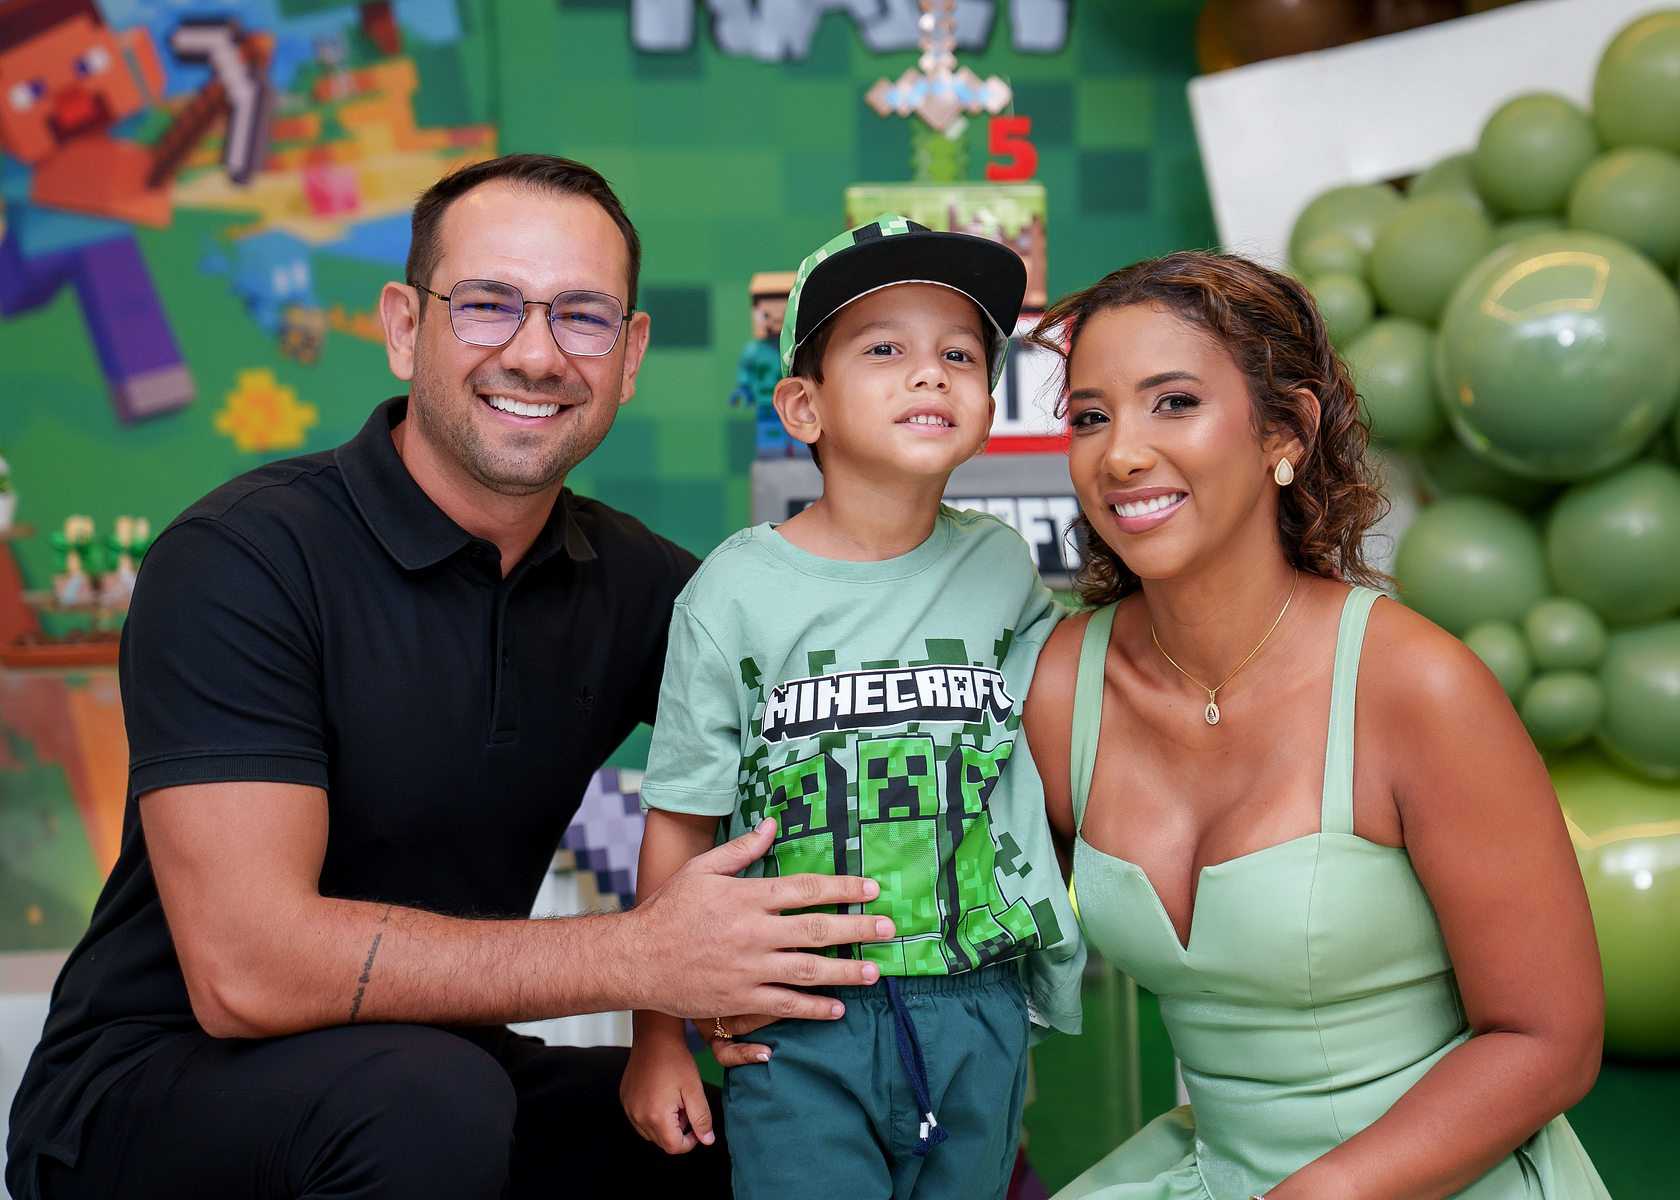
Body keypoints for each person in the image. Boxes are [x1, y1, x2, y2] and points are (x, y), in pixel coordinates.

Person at [5, 153, 898, 1200]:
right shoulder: (241, 561)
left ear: (630, 356)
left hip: (434, 1066)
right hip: (149, 1090)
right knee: (429, 1103)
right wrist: (639, 955)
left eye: (584, 317)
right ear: (402, 327)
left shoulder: (645, 584)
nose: (536, 354)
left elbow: (848, 728)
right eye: (486, 304)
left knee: (738, 1140)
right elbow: (245, 971)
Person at [1022, 251, 1609, 1200]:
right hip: (1215, 1173)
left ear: (1285, 432)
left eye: (1174, 402)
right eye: (1091, 417)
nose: (1121, 453)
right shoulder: (1062, 686)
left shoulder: (1418, 687)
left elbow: (1550, 1041)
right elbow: (955, 929)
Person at [620, 215, 1087, 1200]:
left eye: (959, 355)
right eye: (884, 350)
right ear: (804, 406)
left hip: (978, 1004)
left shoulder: (1003, 568)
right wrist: (657, 1038)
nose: (930, 375)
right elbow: (682, 823)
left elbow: (1075, 720)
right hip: (793, 1015)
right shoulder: (732, 594)